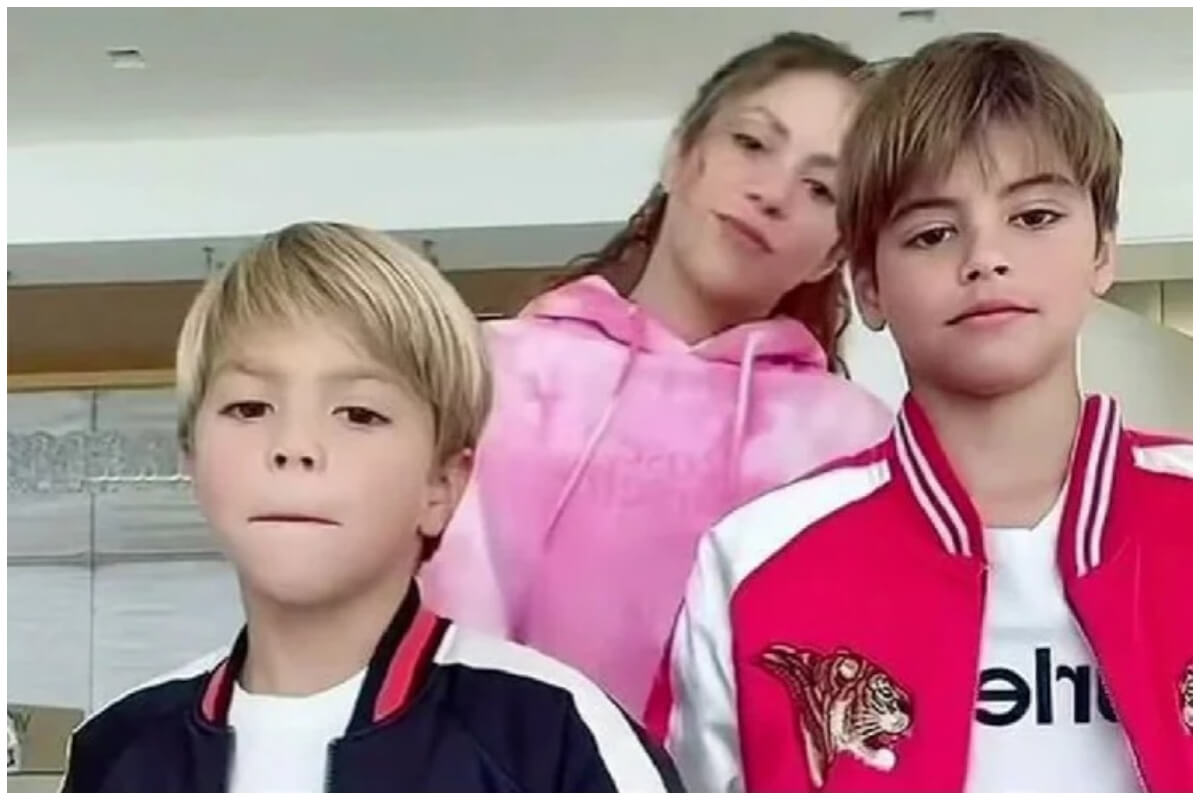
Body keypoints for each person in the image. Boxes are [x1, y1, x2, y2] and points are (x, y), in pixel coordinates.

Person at [648, 32, 1193, 792]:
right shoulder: (754, 561)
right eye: (933, 233)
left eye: (1034, 216)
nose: (985, 258)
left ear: (1103, 249)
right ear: (868, 286)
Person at [60, 223, 681, 792]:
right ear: (192, 461)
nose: (295, 447)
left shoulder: (552, 735)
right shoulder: (116, 751)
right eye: (249, 408)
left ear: (442, 484)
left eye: (358, 414)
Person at [421, 32, 893, 718]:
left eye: (821, 188)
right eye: (752, 144)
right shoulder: (490, 369)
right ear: (679, 155)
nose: (772, 193)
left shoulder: (853, 440)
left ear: (834, 254)